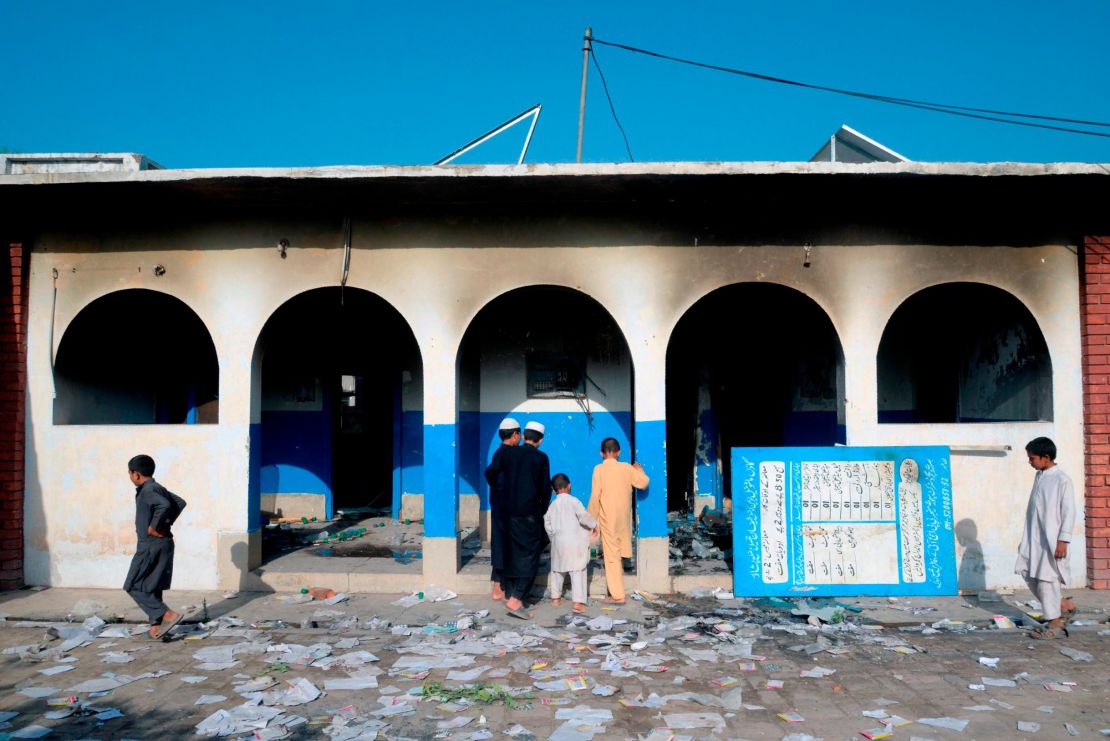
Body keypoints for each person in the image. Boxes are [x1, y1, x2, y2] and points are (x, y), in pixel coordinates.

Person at [486, 420, 551, 618]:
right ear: (540, 440)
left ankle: (512, 593)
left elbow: (491, 472)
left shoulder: (509, 453)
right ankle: (516, 599)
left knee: (513, 553)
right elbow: (545, 490)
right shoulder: (541, 458)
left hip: (508, 513)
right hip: (529, 514)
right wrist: (539, 511)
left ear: (523, 436)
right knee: (530, 555)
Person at [1015, 437, 1077, 639]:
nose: (1029, 462)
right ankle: (1063, 605)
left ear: (1046, 457)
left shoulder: (1062, 479)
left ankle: (1054, 624)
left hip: (1052, 541)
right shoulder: (1040, 476)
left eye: (1032, 458)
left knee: (1046, 581)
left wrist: (1063, 540)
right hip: (1034, 538)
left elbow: (1069, 512)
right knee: (1027, 572)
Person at [123, 454, 186, 640]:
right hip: (163, 543)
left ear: (135, 474)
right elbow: (179, 503)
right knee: (152, 586)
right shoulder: (157, 487)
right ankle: (157, 628)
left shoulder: (149, 490)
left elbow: (165, 505)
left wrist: (155, 527)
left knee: (133, 585)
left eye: (129, 473)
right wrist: (166, 525)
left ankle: (168, 615)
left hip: (150, 544)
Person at [587, 437, 649, 605]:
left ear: (601, 453)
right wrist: (640, 471)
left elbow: (595, 496)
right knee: (619, 552)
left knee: (611, 556)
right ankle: (616, 588)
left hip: (607, 517)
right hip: (623, 518)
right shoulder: (626, 468)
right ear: (618, 452)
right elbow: (644, 483)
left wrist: (590, 519)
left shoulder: (598, 469)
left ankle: (617, 595)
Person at [544, 473, 598, 614]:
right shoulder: (575, 502)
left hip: (558, 543)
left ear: (554, 489)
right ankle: (577, 603)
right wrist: (594, 525)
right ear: (569, 486)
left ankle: (555, 598)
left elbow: (547, 523)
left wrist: (553, 538)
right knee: (577, 571)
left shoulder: (552, 505)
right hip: (575, 543)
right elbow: (584, 517)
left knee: (557, 571)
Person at [485, 417, 521, 602]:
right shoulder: (507, 455)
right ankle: (501, 588)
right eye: (519, 435)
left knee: (500, 544)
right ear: (515, 435)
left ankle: (497, 587)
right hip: (505, 508)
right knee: (505, 546)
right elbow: (491, 473)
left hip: (500, 506)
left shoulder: (500, 453)